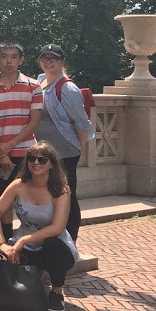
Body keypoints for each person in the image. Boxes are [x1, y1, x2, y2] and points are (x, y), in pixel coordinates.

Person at [0, 142, 79, 311]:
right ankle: (34, 276)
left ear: (51, 164)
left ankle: (57, 291)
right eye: (31, 158)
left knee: (53, 244)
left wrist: (23, 240)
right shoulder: (18, 185)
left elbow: (58, 228)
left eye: (42, 160)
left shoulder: (61, 190)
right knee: (7, 259)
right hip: (25, 246)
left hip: (53, 245)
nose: (36, 163)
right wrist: (2, 244)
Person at [35, 44, 94, 241]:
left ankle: (70, 241)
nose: (48, 62)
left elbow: (82, 122)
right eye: (45, 58)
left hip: (65, 150)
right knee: (47, 195)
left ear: (62, 61)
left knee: (66, 195)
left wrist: (81, 147)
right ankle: (52, 237)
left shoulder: (67, 88)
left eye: (54, 58)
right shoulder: (39, 81)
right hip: (43, 152)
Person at [0, 42, 43, 242]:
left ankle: (32, 241)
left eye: (13, 57)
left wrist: (9, 145)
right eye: (4, 56)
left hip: (27, 153)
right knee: (3, 201)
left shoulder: (33, 86)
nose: (8, 61)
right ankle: (7, 242)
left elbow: (34, 121)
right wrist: (1, 152)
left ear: (21, 59)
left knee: (30, 198)